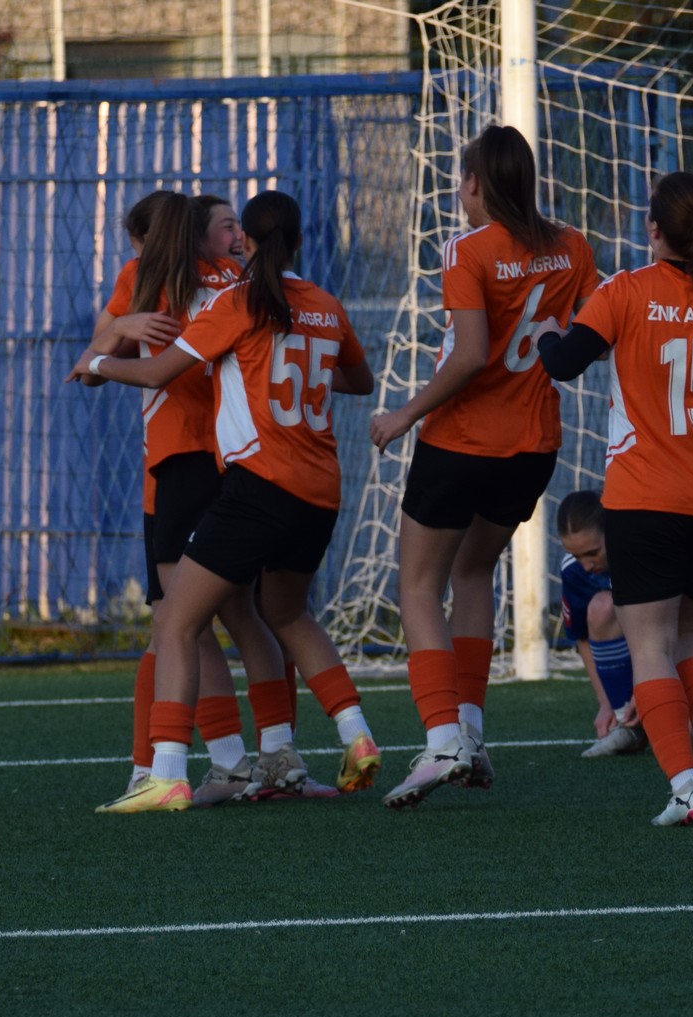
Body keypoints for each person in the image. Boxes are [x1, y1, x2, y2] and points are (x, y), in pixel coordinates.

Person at [79, 190, 382, 811]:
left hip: (197, 461)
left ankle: (199, 765)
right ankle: (281, 755)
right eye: (222, 227)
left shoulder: (164, 278)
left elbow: (108, 363)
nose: (231, 240)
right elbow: (354, 377)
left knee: (177, 620)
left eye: (233, 228)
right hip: (279, 472)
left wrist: (108, 342)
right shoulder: (274, 289)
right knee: (255, 615)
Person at [537, 172, 693, 826]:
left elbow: (564, 364)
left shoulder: (626, 290)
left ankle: (685, 785)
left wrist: (545, 338)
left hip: (646, 499)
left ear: (654, 229)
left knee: (649, 644)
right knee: (692, 631)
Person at [366, 124, 600, 810]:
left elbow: (469, 355)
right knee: (474, 573)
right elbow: (597, 327)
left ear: (474, 183)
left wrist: (404, 414)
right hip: (532, 445)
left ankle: (443, 739)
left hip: (462, 440)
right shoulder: (573, 246)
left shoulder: (468, 249)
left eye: (462, 180)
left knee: (417, 585)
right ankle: (469, 731)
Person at [554, 491, 693, 760]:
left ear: (615, 531)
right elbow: (582, 637)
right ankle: (628, 722)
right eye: (576, 556)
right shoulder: (574, 570)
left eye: (592, 553)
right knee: (600, 608)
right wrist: (606, 704)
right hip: (653, 648)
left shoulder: (648, 551)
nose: (585, 565)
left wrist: (647, 690)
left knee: (689, 735)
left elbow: (671, 628)